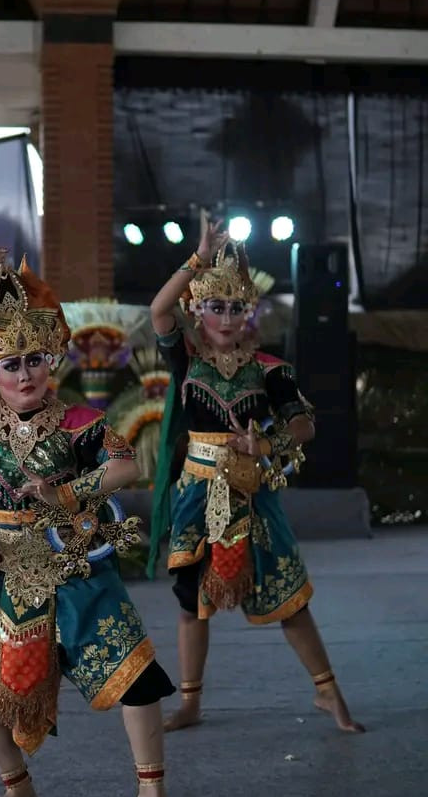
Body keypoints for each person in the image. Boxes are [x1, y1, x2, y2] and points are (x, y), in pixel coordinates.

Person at [0, 225, 192, 797]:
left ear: (51, 362)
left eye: (34, 361)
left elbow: (126, 467)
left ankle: (151, 795)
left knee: (139, 680)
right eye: (10, 364)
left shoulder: (80, 421)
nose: (24, 375)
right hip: (4, 578)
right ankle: (17, 788)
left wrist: (65, 494)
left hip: (72, 570)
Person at [149, 223, 363, 734]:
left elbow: (304, 425)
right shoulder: (187, 360)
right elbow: (159, 310)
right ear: (197, 309)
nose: (226, 318)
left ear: (248, 310)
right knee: (191, 603)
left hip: (252, 492)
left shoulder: (270, 369)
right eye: (214, 306)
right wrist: (197, 258)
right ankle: (191, 702)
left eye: (235, 307)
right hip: (197, 496)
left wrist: (265, 445)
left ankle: (328, 692)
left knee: (290, 598)